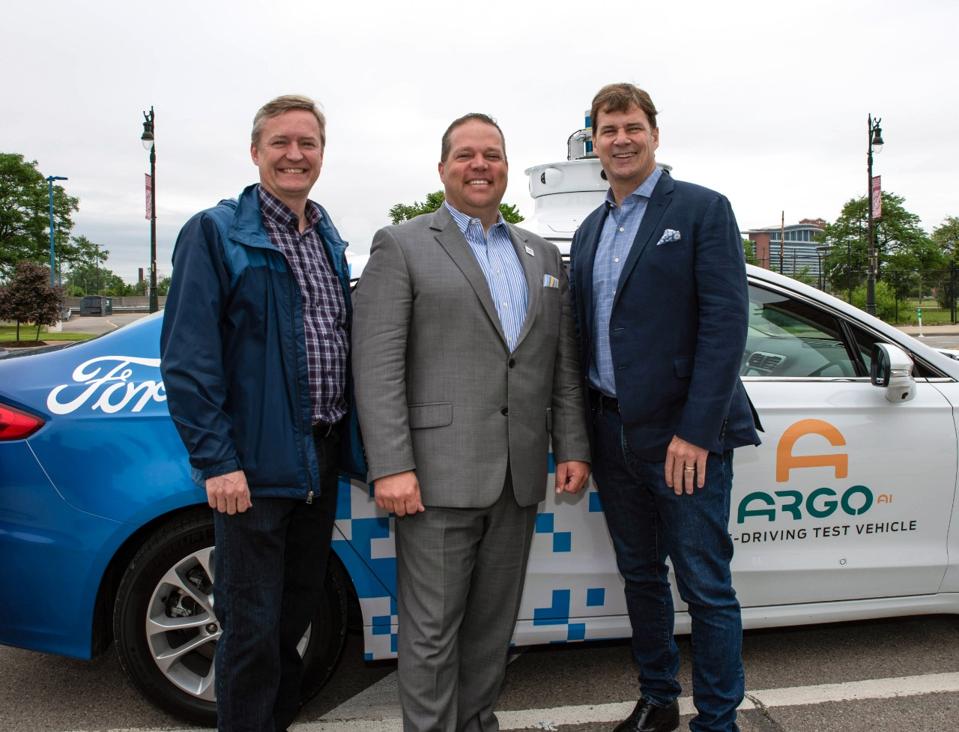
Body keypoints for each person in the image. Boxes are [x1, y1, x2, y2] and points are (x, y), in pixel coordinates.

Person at [352, 113, 590, 731]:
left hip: (517, 477)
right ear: (442, 169)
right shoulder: (401, 244)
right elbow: (376, 367)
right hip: (434, 478)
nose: (479, 165)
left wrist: (572, 445)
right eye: (465, 155)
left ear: (507, 167)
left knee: (491, 629)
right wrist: (392, 465)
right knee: (431, 634)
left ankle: (477, 722)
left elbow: (560, 364)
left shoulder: (540, 253)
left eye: (492, 155)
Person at [160, 94, 363, 732]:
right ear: (255, 152)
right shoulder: (216, 232)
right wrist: (218, 462)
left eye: (308, 143)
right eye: (281, 142)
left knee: (291, 619)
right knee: (248, 630)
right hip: (252, 463)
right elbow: (188, 360)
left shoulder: (326, 235)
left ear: (322, 154)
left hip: (318, 456)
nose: (294, 155)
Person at [568, 83, 762, 732]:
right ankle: (657, 701)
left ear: (654, 133)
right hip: (611, 432)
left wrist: (696, 432)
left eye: (631, 127)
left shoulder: (703, 210)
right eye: (607, 130)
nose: (620, 140)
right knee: (641, 577)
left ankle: (717, 720)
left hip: (683, 439)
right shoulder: (590, 230)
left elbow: (725, 328)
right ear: (594, 142)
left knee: (704, 584)